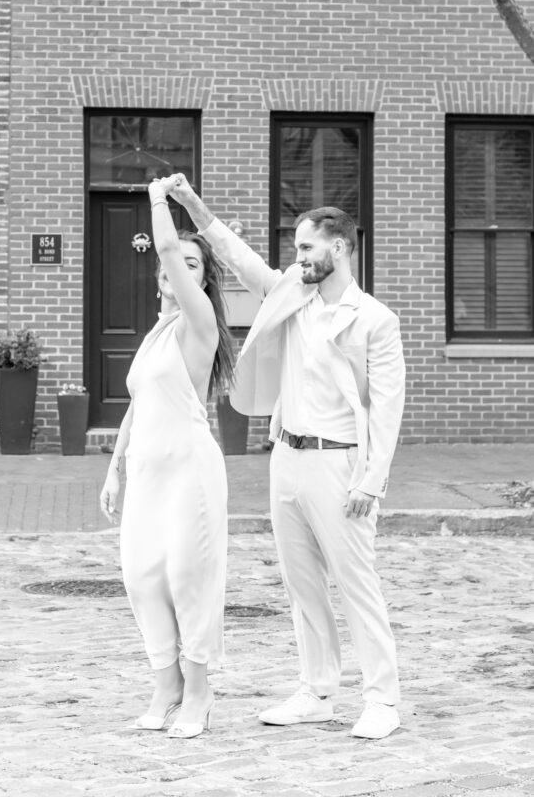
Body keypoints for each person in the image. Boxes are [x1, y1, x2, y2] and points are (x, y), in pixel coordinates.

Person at [169, 175, 405, 741]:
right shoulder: (292, 295)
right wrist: (193, 207)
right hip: (288, 458)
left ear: (340, 247)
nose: (297, 258)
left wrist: (371, 482)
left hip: (341, 466)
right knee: (302, 585)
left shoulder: (374, 319)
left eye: (306, 248)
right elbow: (238, 256)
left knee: (356, 584)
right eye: (295, 250)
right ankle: (317, 690)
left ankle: (382, 700)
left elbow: (388, 408)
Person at [100, 174, 234, 740]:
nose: (178, 269)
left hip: (190, 472)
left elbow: (166, 247)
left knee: (188, 577)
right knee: (141, 576)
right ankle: (166, 683)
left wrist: (160, 200)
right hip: (146, 474)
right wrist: (113, 466)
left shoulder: (198, 322)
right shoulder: (156, 333)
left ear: (202, 280)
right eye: (175, 265)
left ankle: (199, 691)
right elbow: (138, 404)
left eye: (191, 265)